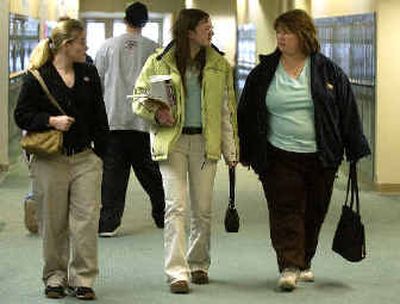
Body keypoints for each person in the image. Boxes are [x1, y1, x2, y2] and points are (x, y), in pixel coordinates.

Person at [237, 9, 371, 292]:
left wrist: (354, 147)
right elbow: (248, 112)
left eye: (287, 32)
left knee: (314, 211)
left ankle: (304, 260)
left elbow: (346, 111)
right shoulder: (264, 72)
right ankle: (288, 264)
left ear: (303, 35)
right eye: (279, 32)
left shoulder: (327, 70)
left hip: (321, 156)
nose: (281, 37)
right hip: (278, 155)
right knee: (285, 209)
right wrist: (245, 150)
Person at [132, 8, 239, 294]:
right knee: (176, 208)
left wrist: (231, 150)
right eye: (207, 27)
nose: (211, 31)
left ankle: (199, 263)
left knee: (202, 210)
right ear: (189, 32)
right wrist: (157, 114)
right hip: (173, 142)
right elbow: (139, 98)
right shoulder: (159, 61)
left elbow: (227, 110)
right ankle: (177, 272)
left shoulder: (219, 64)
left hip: (205, 143)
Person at [14, 18, 109, 300]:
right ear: (66, 45)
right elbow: (22, 115)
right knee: (53, 222)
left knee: (86, 220)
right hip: (50, 160)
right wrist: (50, 120)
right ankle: (55, 276)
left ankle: (83, 278)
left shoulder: (89, 74)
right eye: (81, 42)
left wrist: (100, 154)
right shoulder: (37, 77)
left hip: (84, 159)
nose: (86, 46)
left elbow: (99, 116)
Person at [95, 1, 165, 236]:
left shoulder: (107, 46)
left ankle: (108, 223)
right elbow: (162, 87)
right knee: (151, 172)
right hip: (143, 121)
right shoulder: (155, 49)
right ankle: (163, 215)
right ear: (145, 22)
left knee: (113, 173)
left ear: (125, 20)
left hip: (113, 119)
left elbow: (98, 83)